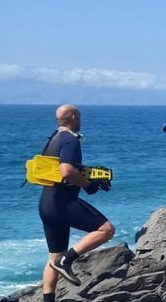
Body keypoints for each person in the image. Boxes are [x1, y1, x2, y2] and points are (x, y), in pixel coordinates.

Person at [38, 105, 115, 301]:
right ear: (73, 117)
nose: (80, 120)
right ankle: (68, 260)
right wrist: (88, 186)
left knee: (53, 257)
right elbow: (66, 171)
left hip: (46, 203)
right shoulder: (70, 139)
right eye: (79, 116)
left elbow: (58, 169)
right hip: (63, 202)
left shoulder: (53, 139)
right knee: (106, 230)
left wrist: (89, 174)